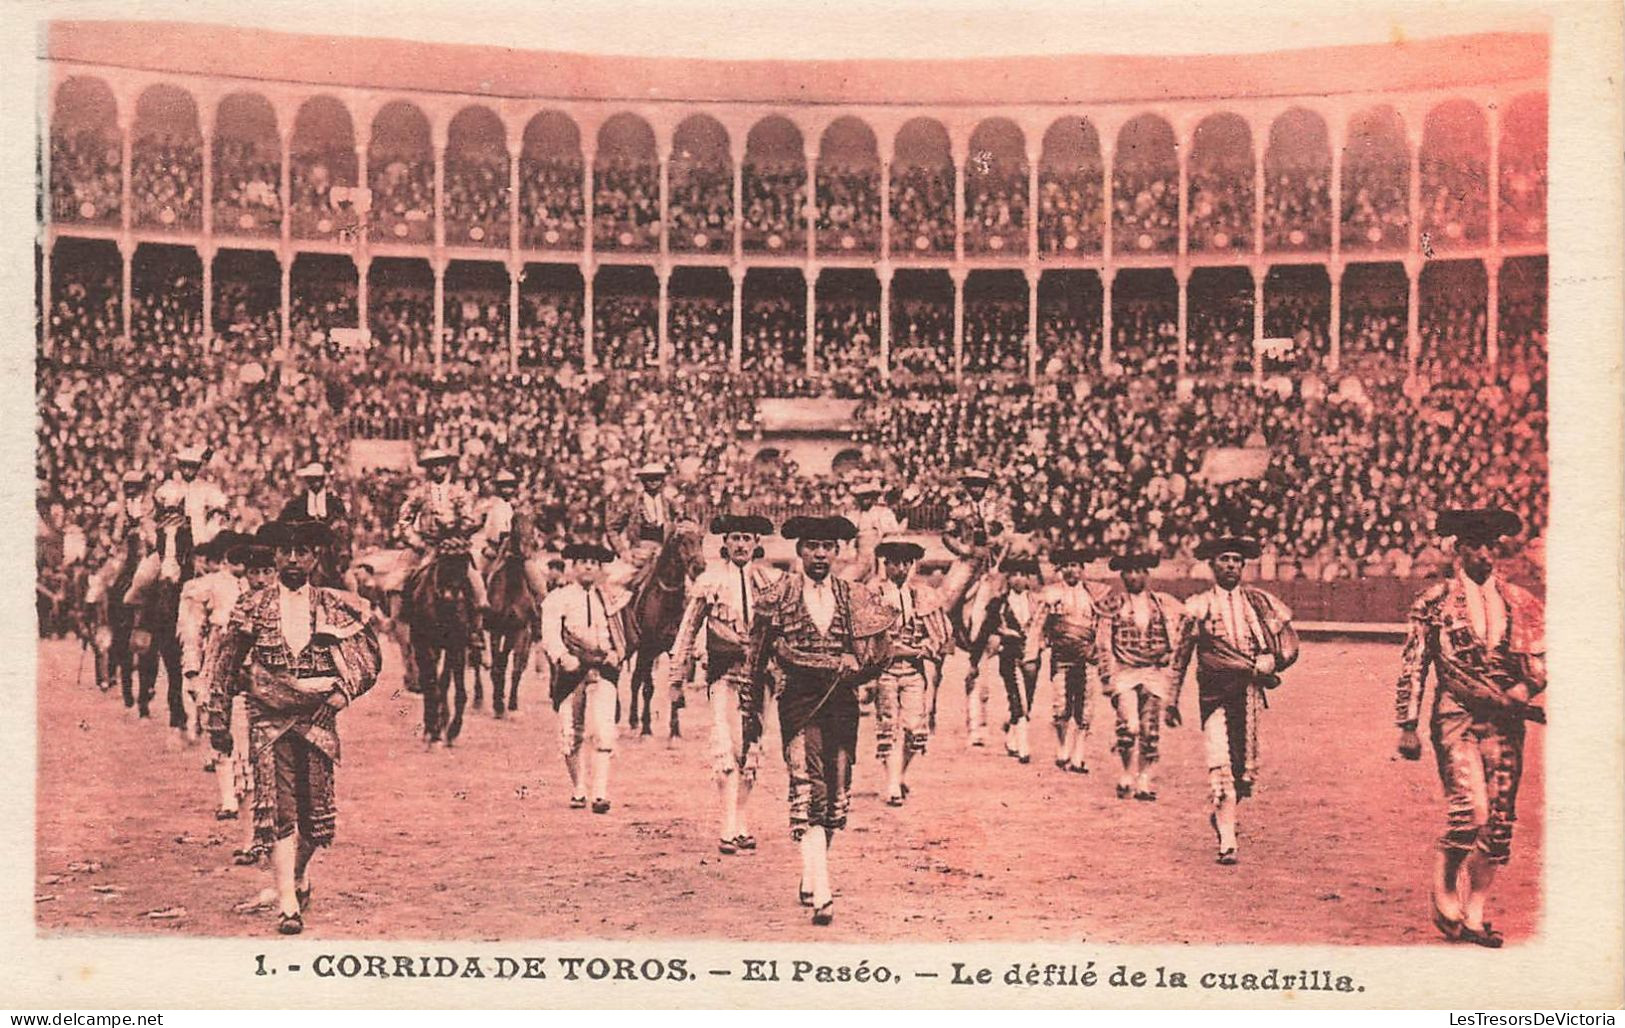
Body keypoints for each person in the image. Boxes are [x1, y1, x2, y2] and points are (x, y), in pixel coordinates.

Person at [203, 518, 382, 935]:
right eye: (286, 551)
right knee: (278, 807)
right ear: (276, 555)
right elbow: (226, 662)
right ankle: (287, 900)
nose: (294, 559)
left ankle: (298, 875)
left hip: (317, 716)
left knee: (315, 816)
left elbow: (367, 657)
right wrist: (217, 717)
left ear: (316, 556)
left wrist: (341, 695)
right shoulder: (252, 605)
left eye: (303, 551)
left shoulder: (335, 605)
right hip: (267, 716)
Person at [1394, 507, 1546, 948]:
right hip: (1455, 714)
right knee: (1469, 813)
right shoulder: (1434, 602)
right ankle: (1444, 882)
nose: (1484, 554)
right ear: (1459, 552)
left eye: (1490, 547)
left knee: (1499, 823)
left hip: (1506, 719)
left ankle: (1475, 915)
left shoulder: (1520, 600)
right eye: (1474, 547)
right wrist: (1407, 724)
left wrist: (1525, 688)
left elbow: (1538, 660)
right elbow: (1414, 666)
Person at [743, 515, 892, 926]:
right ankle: (823, 891)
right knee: (809, 792)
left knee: (837, 795)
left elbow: (881, 653)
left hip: (842, 704)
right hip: (799, 701)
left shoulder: (852, 595)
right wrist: (751, 718)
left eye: (827, 546)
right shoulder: (780, 594)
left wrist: (856, 664)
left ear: (838, 551)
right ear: (800, 551)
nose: (820, 554)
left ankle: (812, 872)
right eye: (812, 546)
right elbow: (755, 660)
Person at [1169, 534, 1299, 865]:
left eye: (1236, 560)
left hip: (1250, 693)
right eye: (1224, 559)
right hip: (1214, 693)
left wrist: (1274, 660)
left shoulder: (1257, 603)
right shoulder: (1198, 606)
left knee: (1243, 773)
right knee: (1221, 768)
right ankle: (1228, 839)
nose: (1231, 565)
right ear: (1211, 565)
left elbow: (1288, 644)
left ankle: (1223, 816)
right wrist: (1171, 699)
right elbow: (1181, 655)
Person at [671, 514, 780, 853]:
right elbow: (688, 629)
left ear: (756, 543)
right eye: (735, 538)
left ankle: (741, 821)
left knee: (752, 752)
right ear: (726, 543)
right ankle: (727, 825)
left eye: (747, 538)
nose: (741, 544)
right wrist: (676, 677)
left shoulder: (770, 582)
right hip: (724, 676)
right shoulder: (711, 581)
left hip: (760, 679)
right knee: (725, 747)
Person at [540, 542, 625, 814]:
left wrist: (616, 653)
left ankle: (600, 791)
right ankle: (579, 787)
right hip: (571, 671)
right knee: (570, 730)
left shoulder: (611, 599)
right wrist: (563, 657)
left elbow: (621, 634)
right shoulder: (557, 599)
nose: (588, 566)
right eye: (582, 561)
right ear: (573, 567)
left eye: (593, 562)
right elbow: (551, 635)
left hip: (603, 668)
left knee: (602, 729)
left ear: (600, 568)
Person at [1099, 551, 1184, 800]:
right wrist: (1106, 676)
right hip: (1124, 671)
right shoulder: (1113, 603)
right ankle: (1127, 772)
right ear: (1122, 575)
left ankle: (1144, 778)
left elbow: (1183, 625)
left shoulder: (1162, 603)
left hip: (1153, 672)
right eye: (1129, 571)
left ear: (1147, 574)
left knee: (1150, 729)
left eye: (1139, 571)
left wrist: (1171, 651)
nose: (1134, 576)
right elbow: (1103, 643)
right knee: (1130, 726)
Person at [871, 539, 946, 805]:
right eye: (895, 563)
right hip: (886, 670)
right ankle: (892, 783)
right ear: (886, 565)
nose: (901, 569)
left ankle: (898, 774)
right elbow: (871, 637)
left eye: (906, 563)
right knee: (888, 726)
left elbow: (937, 633)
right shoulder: (875, 593)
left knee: (915, 728)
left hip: (913, 671)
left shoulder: (921, 594)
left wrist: (926, 646)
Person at [395, 448, 487, 652]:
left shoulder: (458, 492)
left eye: (442, 464)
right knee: (409, 579)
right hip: (429, 545)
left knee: (475, 581)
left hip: (454, 546)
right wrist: (416, 541)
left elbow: (469, 518)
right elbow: (404, 520)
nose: (439, 468)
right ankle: (409, 620)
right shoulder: (419, 493)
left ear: (448, 467)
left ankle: (475, 630)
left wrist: (458, 531)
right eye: (434, 465)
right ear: (429, 469)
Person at [1034, 547, 1112, 775]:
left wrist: (1097, 649)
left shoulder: (1094, 594)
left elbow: (1102, 625)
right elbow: (1040, 624)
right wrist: (1041, 642)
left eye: (1075, 565)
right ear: (1060, 569)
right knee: (1060, 705)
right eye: (1066, 565)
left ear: (1082, 569)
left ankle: (1079, 754)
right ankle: (1062, 748)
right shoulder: (1052, 594)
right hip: (1061, 656)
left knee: (1085, 708)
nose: (1071, 570)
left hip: (1086, 655)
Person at [979, 554, 1043, 763]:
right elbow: (987, 628)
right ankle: (1023, 746)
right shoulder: (999, 604)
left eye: (1022, 575)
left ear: (1028, 578)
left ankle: (1011, 737)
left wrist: (1043, 641)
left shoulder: (1038, 603)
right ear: (1008, 578)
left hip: (1033, 656)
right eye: (1014, 575)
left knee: (1027, 699)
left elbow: (1047, 627)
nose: (1018, 579)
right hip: (1010, 655)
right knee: (1018, 698)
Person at [279, 462, 351, 587]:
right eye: (311, 479)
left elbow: (343, 526)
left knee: (345, 579)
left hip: (329, 548)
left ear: (323, 480)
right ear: (307, 480)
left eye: (318, 479)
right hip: (304, 544)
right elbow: (283, 523)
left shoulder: (334, 502)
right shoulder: (296, 503)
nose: (315, 482)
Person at [611, 462, 685, 568]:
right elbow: (613, 528)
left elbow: (683, 522)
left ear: (662, 480)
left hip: (666, 554)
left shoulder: (670, 502)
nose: (653, 481)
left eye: (657, 478)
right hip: (639, 554)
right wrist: (622, 551)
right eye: (649, 478)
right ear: (643, 480)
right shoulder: (632, 502)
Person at [156, 444, 229, 547]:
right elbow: (160, 502)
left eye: (191, 466)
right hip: (174, 536)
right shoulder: (171, 486)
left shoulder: (206, 488)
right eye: (184, 465)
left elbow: (220, 505)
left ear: (197, 467)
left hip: (199, 534)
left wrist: (211, 531)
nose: (187, 470)